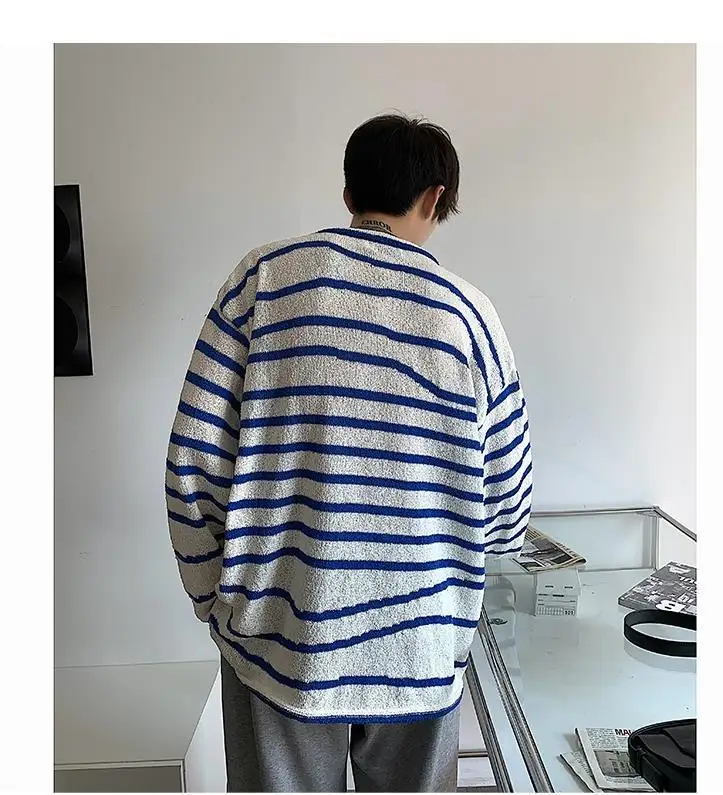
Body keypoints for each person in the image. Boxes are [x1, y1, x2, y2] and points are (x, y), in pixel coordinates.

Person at [165, 113, 532, 792]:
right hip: (419, 645)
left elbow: (192, 462)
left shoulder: (264, 282)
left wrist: (217, 600)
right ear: (435, 198)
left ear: (348, 192)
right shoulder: (469, 317)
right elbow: (507, 513)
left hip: (277, 639)